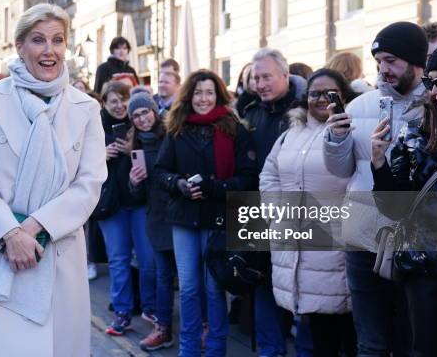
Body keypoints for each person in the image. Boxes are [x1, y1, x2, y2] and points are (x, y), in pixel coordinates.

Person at [0, 3, 107, 357]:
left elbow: (89, 185)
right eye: (38, 40)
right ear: (19, 46)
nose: (49, 50)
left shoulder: (85, 109)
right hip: (0, 254)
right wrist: (11, 234)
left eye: (58, 40)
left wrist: (35, 228)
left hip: (58, 251)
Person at [371, 14, 437, 357]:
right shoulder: (417, 129)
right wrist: (379, 163)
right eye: (431, 82)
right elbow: (394, 207)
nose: (434, 91)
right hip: (426, 269)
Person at [323, 21, 430, 356]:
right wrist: (336, 139)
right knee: (369, 342)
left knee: (409, 339)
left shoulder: (436, 105)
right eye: (379, 60)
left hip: (414, 242)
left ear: (416, 62)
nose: (384, 69)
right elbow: (339, 170)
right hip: (362, 238)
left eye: (392, 60)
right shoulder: (360, 106)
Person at [156, 69, 258, 356]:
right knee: (188, 288)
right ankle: (188, 349)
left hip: (218, 218)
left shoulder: (234, 127)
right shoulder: (177, 127)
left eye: (209, 92)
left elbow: (248, 176)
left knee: (214, 289)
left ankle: (215, 348)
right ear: (189, 95)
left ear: (218, 94)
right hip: (184, 218)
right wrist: (178, 184)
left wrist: (215, 187)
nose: (204, 98)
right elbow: (161, 171)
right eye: (198, 92)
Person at [260, 68, 357, 357]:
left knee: (345, 324)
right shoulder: (292, 133)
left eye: (330, 94)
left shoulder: (352, 128)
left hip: (335, 242)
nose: (321, 100)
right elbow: (269, 174)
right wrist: (277, 210)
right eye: (314, 93)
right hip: (296, 241)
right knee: (316, 328)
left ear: (343, 97)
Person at [243, 48, 311, 357]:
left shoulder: (307, 110)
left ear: (285, 76)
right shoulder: (252, 113)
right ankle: (270, 351)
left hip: (298, 213)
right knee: (261, 282)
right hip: (256, 212)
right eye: (256, 78)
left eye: (266, 76)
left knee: (301, 284)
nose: (260, 83)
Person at [93, 80, 157, 336]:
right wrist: (101, 156)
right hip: (111, 206)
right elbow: (78, 164)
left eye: (123, 99)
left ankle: (150, 307)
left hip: (139, 202)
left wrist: (134, 149)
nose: (119, 105)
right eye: (113, 101)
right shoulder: (94, 128)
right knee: (118, 260)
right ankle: (122, 312)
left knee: (147, 259)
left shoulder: (140, 124)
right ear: (104, 104)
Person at [124, 92, 175, 351]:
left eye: (145, 112)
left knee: (191, 279)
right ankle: (163, 328)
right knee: (163, 276)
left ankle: (201, 326)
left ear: (154, 111)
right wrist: (134, 182)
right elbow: (138, 194)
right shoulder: (136, 147)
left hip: (179, 212)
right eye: (136, 115)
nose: (142, 119)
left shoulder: (171, 135)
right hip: (156, 216)